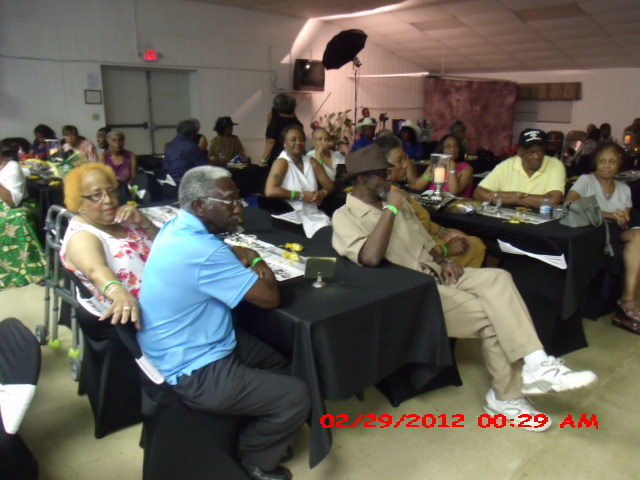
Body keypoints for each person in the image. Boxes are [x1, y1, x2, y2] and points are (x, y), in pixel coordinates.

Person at [332, 144, 597, 429]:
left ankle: (536, 363)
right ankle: (506, 398)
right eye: (382, 174)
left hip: (436, 275)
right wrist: (394, 208)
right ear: (361, 179)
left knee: (500, 278)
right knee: (497, 318)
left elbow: (425, 244)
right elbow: (370, 257)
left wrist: (443, 258)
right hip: (414, 294)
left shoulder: (393, 203)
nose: (389, 179)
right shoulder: (345, 217)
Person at [138, 166, 310, 480]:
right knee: (297, 395)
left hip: (186, 346)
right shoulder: (205, 250)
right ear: (201, 206)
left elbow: (210, 255)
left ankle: (265, 429)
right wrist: (255, 258)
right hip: (193, 370)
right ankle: (254, 459)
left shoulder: (175, 227)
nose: (239, 207)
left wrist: (234, 252)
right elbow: (271, 297)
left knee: (279, 361)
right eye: (229, 201)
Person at [59, 163, 158, 325]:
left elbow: (167, 244)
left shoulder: (124, 219)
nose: (108, 200)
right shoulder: (82, 236)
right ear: (78, 203)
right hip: (141, 317)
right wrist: (117, 291)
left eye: (111, 191)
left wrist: (144, 222)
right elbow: (95, 269)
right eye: (96, 195)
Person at [374, 135, 485, 268]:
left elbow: (422, 220)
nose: (406, 164)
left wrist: (442, 231)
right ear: (382, 165)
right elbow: (411, 245)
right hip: (426, 256)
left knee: (469, 241)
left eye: (405, 158)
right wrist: (446, 250)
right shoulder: (388, 199)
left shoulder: (394, 189)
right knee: (476, 246)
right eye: (400, 160)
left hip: (431, 238)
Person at [566, 143, 640, 334]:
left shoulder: (624, 188)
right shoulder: (586, 180)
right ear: (596, 163)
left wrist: (623, 219)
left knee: (639, 236)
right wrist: (609, 214)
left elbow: (624, 219)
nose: (607, 166)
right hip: (590, 229)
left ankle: (627, 300)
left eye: (612, 162)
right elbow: (569, 204)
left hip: (615, 230)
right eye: (602, 161)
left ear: (619, 165)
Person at [265, 125, 334, 238]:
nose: (298, 142)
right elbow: (270, 191)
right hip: (292, 217)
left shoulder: (311, 161)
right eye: (293, 140)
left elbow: (330, 185)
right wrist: (301, 195)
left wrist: (322, 193)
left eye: (301, 139)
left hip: (314, 214)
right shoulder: (282, 162)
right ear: (284, 144)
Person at [474, 128, 566, 208]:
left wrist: (514, 197)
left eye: (540, 151)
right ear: (520, 152)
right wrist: (514, 199)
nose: (536, 156)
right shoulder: (506, 165)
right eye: (530, 152)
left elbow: (552, 201)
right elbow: (478, 193)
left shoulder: (555, 165)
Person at [0, 141, 45, 289]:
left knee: (17, 220)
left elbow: (14, 201)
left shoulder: (12, 167)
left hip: (19, 204)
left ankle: (34, 269)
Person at [404, 134, 474, 197]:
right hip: (433, 202)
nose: (453, 149)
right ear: (442, 149)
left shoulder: (466, 168)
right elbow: (418, 187)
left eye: (456, 146)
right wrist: (430, 173)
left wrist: (451, 167)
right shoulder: (437, 165)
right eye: (448, 146)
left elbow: (453, 193)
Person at [162, 119, 209, 185]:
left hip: (169, 182)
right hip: (184, 182)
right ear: (192, 133)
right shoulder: (190, 146)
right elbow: (205, 166)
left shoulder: (171, 145)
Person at [261, 93, 302, 167]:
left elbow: (270, 142)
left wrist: (263, 160)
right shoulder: (297, 122)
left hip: (278, 159)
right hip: (295, 158)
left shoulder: (276, 121)